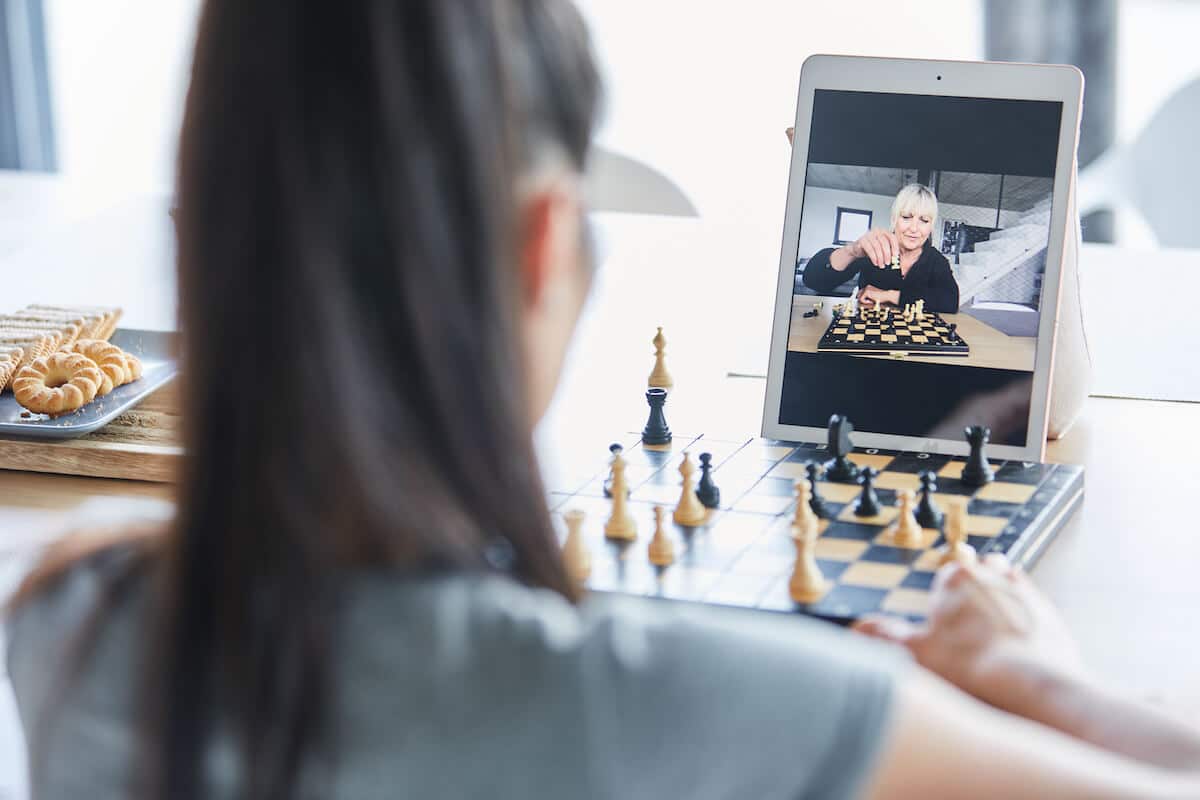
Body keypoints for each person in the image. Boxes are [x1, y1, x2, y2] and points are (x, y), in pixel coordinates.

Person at [5, 2, 1200, 798]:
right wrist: (1052, 684)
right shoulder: (703, 705)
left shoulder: (67, 622)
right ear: (543, 246)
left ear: (194, 239)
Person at [802, 183, 961, 313]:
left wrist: (889, 295)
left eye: (924, 220)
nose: (914, 228)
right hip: (867, 334)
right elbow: (813, 280)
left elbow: (949, 302)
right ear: (894, 218)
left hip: (917, 341)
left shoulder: (937, 261)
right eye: (906, 217)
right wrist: (852, 251)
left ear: (931, 227)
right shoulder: (875, 246)